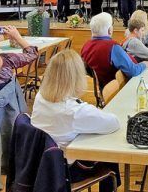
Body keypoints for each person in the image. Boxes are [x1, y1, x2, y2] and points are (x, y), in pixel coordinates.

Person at [30, 50, 121, 192]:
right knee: (109, 153)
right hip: (65, 171)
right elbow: (113, 123)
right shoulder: (75, 111)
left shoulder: (40, 96)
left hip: (40, 164)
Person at [81, 13, 148, 88]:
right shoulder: (112, 47)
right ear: (109, 30)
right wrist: (144, 64)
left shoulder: (85, 46)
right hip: (118, 90)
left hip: (101, 89)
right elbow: (133, 71)